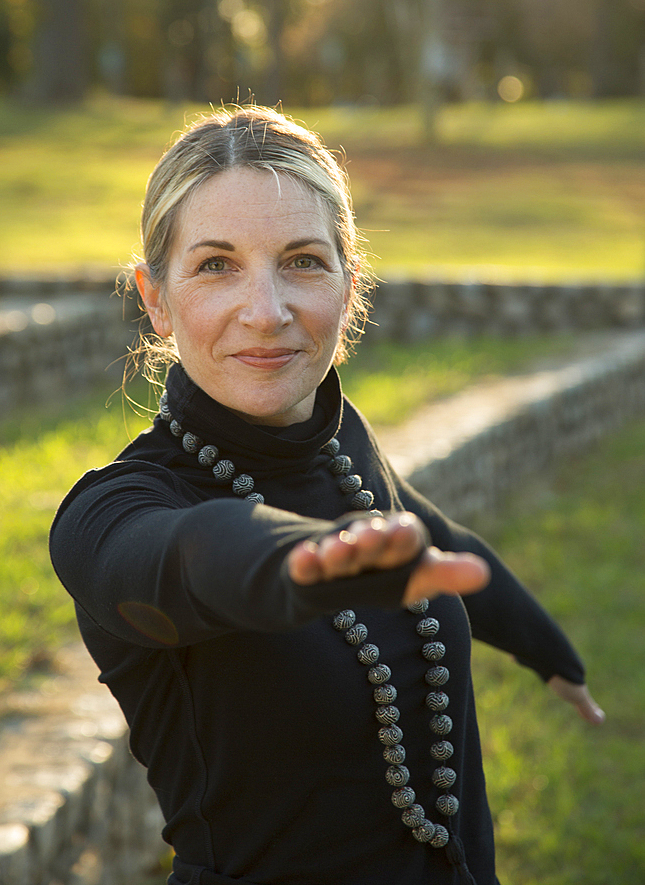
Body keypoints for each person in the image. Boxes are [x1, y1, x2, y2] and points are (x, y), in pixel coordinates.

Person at [50, 105, 604, 885]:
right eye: (216, 265)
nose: (267, 311)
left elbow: (438, 539)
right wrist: (305, 560)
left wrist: (548, 651)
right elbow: (185, 556)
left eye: (303, 261)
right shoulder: (114, 513)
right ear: (155, 297)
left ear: (350, 283)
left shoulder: (344, 446)